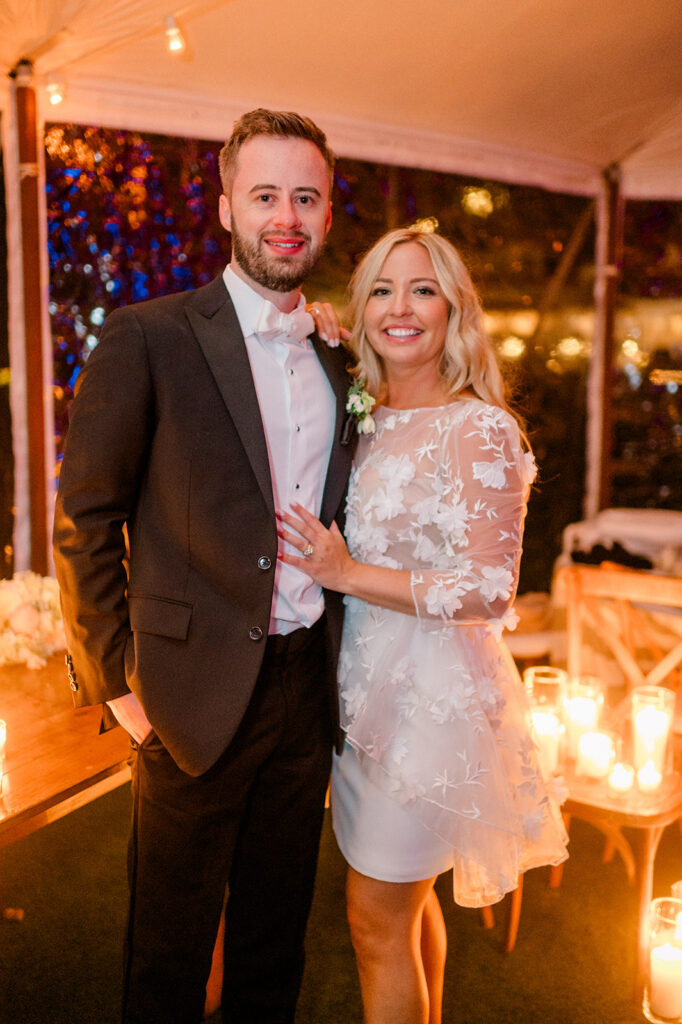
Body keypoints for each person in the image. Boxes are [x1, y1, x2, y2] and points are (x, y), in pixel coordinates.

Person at [53, 108, 356, 1024]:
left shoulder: (344, 355)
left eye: (305, 196)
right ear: (227, 205)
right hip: (184, 699)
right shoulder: (149, 337)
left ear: (329, 215)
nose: (286, 216)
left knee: (276, 942)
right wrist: (119, 690)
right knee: (167, 957)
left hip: (305, 694)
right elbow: (85, 519)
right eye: (265, 194)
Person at [279, 222, 569, 1024]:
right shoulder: (360, 411)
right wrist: (322, 326)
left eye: (422, 289)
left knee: (376, 919)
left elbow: (487, 589)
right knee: (404, 910)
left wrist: (346, 574)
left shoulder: (480, 427)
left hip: (428, 707)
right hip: (356, 697)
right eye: (381, 289)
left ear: (453, 310)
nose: (400, 308)